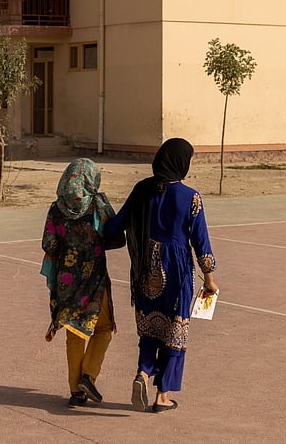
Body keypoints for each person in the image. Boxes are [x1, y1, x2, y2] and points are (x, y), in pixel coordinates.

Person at [105, 138, 219, 413]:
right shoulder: (190, 197)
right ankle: (162, 396)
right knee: (174, 330)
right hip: (177, 269)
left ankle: (143, 373)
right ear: (180, 162)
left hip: (146, 269)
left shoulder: (142, 189)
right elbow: (200, 242)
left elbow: (116, 225)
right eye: (191, 159)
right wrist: (210, 279)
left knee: (149, 328)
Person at [40, 158, 124, 408]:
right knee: (103, 329)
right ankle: (88, 375)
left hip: (67, 281)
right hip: (95, 279)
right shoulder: (98, 204)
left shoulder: (56, 209)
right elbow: (116, 238)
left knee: (75, 332)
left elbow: (49, 244)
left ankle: (76, 391)